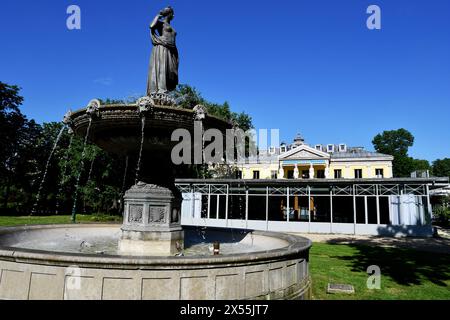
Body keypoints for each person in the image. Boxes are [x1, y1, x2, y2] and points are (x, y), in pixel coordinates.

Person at [147, 6, 179, 95]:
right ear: (169, 14)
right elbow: (151, 26)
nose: (174, 15)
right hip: (162, 48)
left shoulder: (170, 26)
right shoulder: (161, 23)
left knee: (170, 71)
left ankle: (166, 89)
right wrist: (158, 15)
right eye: (172, 13)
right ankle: (160, 89)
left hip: (171, 50)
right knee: (162, 68)